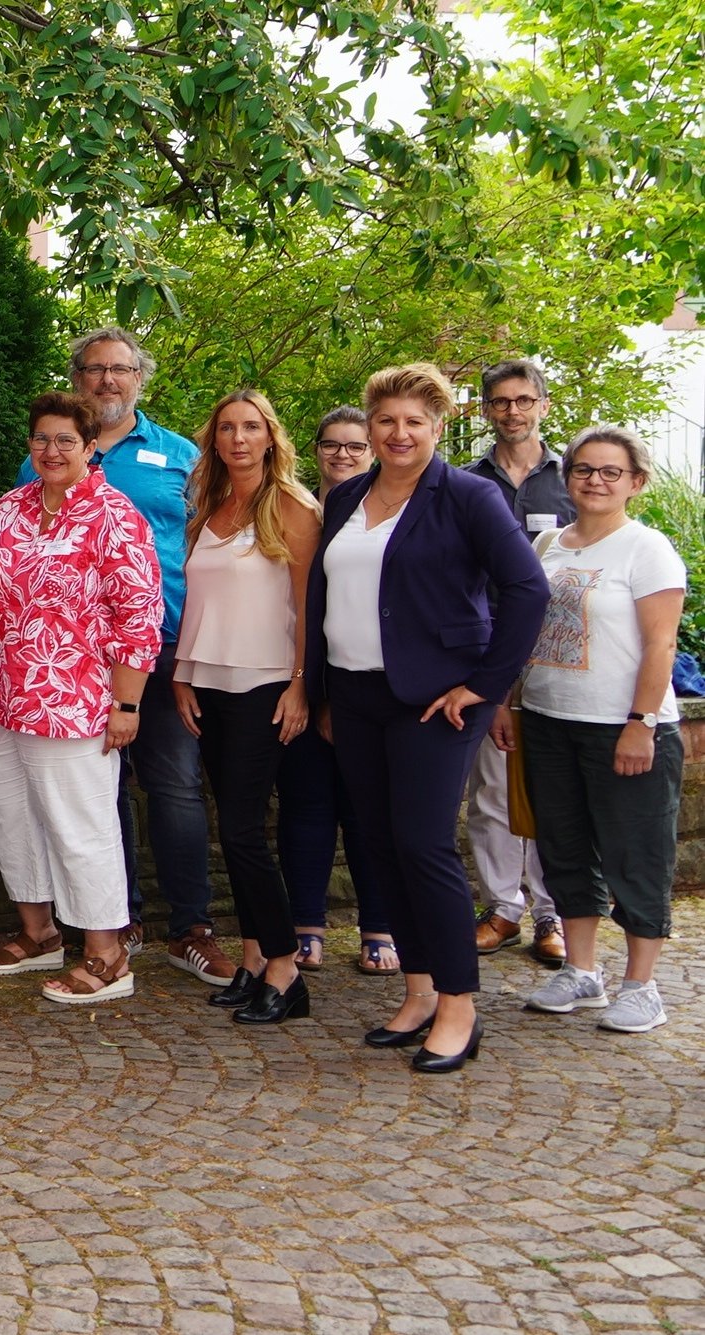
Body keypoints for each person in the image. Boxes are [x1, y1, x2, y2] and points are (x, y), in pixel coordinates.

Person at [305, 363, 548, 1074]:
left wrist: (485, 684)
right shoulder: (347, 494)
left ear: (437, 428)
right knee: (377, 844)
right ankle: (416, 992)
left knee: (422, 844)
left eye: (415, 421)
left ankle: (459, 1006)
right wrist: (319, 689)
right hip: (353, 695)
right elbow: (329, 594)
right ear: (370, 427)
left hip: (434, 698)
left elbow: (527, 589)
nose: (399, 433)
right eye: (386, 421)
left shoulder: (467, 496)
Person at [17, 328, 224, 984]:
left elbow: (213, 548)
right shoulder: (44, 458)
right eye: (95, 370)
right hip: (72, 664)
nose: (108, 381)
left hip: (161, 649)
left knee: (174, 785)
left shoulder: (183, 455)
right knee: (95, 792)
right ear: (76, 378)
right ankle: (118, 919)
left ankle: (190, 926)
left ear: (141, 378)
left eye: (121, 370)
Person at [0, 392, 163, 1003]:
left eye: (65, 441)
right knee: (7, 814)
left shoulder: (114, 515)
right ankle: (40, 932)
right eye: (41, 439)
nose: (51, 451)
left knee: (81, 825)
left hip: (74, 698)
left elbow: (140, 615)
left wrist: (126, 705)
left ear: (89, 447)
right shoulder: (11, 506)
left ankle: (107, 952)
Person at [509, 427, 687, 1033]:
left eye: (611, 471)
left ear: (636, 482)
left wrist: (640, 723)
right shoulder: (547, 544)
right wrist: (513, 706)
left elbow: (662, 643)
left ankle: (642, 985)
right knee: (563, 848)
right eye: (584, 469)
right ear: (567, 478)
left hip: (624, 727)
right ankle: (582, 971)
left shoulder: (647, 548)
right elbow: (526, 631)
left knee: (637, 854)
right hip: (550, 720)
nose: (595, 480)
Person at [170, 390, 321, 1024]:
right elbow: (196, 601)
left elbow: (310, 603)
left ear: (269, 437)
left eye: (250, 427)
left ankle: (286, 969)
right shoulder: (207, 509)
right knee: (231, 833)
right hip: (208, 685)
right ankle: (256, 960)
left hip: (267, 685)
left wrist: (301, 683)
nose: (238, 438)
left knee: (241, 830)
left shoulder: (291, 506)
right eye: (227, 428)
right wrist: (182, 674)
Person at [463, 358, 574, 965]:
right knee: (493, 790)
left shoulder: (571, 478)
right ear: (486, 410)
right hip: (487, 650)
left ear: (542, 406)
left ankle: (551, 914)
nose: (513, 411)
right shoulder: (466, 481)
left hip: (559, 651)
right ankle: (502, 908)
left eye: (523, 400)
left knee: (553, 789)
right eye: (501, 402)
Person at [301, 408, 400, 975]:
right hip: (306, 677)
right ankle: (307, 925)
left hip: (372, 681)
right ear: (315, 449)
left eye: (355, 446)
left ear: (372, 452)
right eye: (331, 444)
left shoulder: (383, 513)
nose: (342, 454)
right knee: (309, 806)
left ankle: (379, 925)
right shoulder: (299, 507)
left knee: (370, 810)